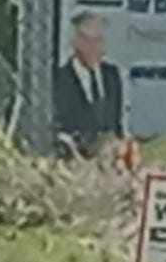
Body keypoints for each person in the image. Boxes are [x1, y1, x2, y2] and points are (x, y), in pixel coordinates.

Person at [51, 8, 127, 157]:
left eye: (98, 40)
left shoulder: (112, 76)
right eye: (87, 40)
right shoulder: (59, 79)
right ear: (75, 42)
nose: (93, 47)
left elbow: (116, 123)